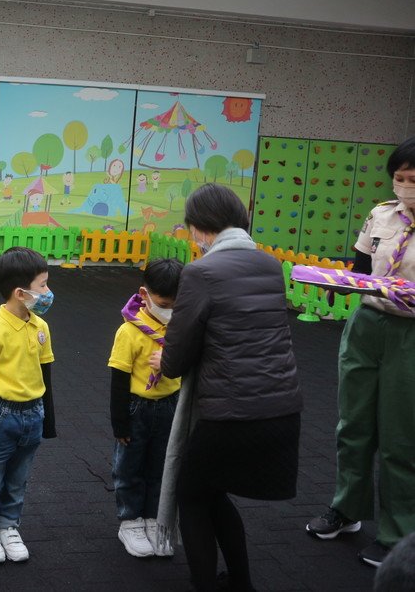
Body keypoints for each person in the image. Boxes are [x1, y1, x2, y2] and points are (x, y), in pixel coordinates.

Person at [160, 184, 302, 592]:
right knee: (213, 491)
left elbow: (175, 358)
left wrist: (163, 358)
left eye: (191, 228)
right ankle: (241, 583)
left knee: (191, 495)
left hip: (229, 410)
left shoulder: (200, 272)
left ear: (201, 227)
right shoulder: (269, 264)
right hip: (281, 406)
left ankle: (205, 584)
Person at [306, 136, 415, 568]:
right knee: (352, 424)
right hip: (367, 325)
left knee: (400, 436)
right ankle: (347, 508)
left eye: (413, 179)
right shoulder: (380, 214)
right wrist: (341, 284)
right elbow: (362, 269)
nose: (404, 186)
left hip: (410, 333)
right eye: (399, 178)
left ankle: (398, 533)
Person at [0, 246, 56, 564]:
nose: (48, 292)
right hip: (0, 416)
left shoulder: (41, 327)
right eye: (42, 285)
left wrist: (48, 419)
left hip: (33, 414)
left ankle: (8, 525)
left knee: (18, 479)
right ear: (20, 293)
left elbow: (45, 374)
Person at [108, 258, 183, 558]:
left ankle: (154, 519)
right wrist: (120, 423)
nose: (169, 310)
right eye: (164, 304)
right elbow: (118, 378)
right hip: (137, 408)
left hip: (170, 405)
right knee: (129, 467)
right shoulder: (129, 331)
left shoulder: (180, 328)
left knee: (161, 467)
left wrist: (172, 362)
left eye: (176, 304)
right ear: (144, 294)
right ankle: (130, 521)